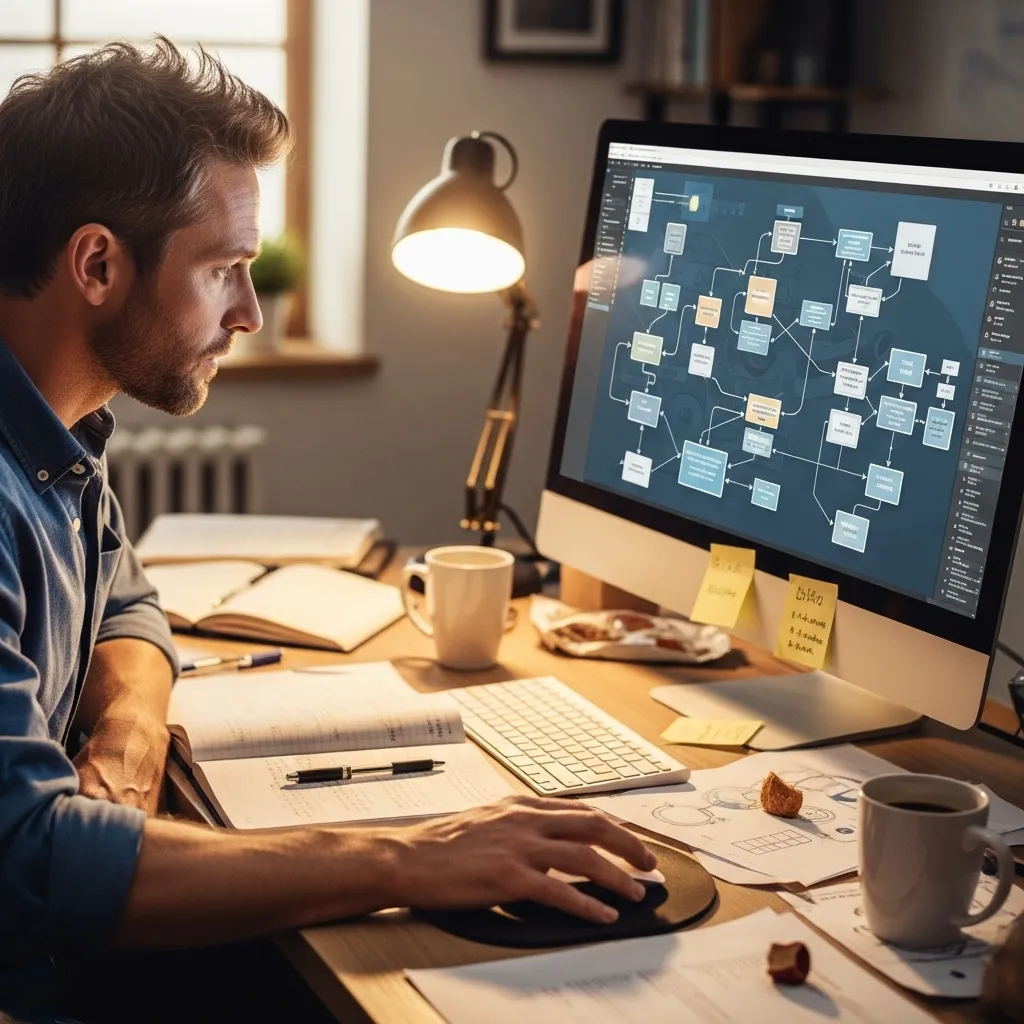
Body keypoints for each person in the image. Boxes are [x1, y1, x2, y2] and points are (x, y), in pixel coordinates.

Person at [0, 37, 656, 1023]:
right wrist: (411, 854)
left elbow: (124, 593)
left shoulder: (61, 428)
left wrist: (132, 732)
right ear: (97, 263)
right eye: (225, 268)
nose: (252, 314)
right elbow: (33, 859)